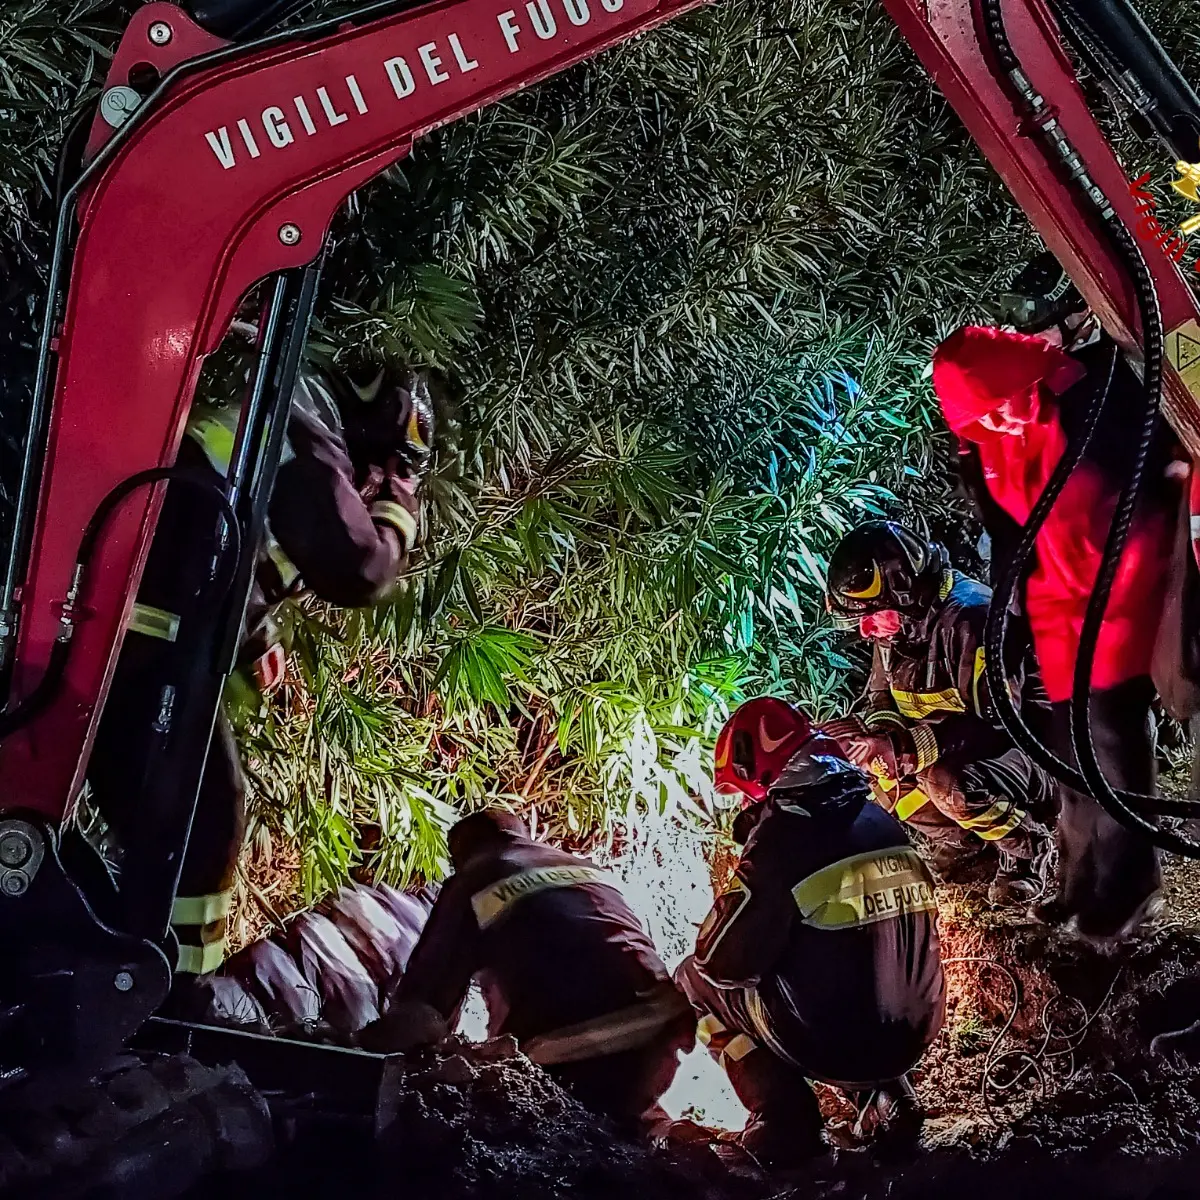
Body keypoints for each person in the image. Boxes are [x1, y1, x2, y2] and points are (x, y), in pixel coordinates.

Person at [87, 359, 434, 999]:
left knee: (162, 822)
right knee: (202, 821)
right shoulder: (303, 439)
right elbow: (356, 566)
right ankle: (173, 1002)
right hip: (148, 637)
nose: (369, 487)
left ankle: (130, 973)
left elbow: (224, 533)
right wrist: (397, 515)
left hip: (139, 625)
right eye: (378, 473)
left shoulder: (279, 423)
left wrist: (255, 634)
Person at [932, 253, 1184, 940]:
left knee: (1112, 738)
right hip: (1058, 606)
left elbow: (1161, 466)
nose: (1001, 420)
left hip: (1122, 591)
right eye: (986, 416)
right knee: (1066, 753)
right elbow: (1007, 525)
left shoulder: (1096, 389)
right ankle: (1078, 881)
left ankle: (1131, 885)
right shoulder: (993, 443)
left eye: (1004, 404)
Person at [674, 698, 944, 1168]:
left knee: (691, 983)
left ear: (763, 779)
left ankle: (784, 1118)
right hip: (916, 1034)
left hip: (837, 1045)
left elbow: (722, 963)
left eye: (745, 792)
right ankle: (891, 1101)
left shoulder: (782, 843)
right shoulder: (881, 820)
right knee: (844, 964)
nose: (744, 806)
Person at [361, 808, 696, 1136]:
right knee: (618, 1113)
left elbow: (421, 1015)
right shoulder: (582, 867)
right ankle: (671, 1139)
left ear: (459, 856)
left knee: (478, 1106)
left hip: (572, 1046)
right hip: (663, 1031)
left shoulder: (475, 877)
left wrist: (361, 1048)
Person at [823, 521, 1055, 905]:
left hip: (1037, 757)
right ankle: (970, 846)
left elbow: (1000, 725)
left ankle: (1030, 849)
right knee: (882, 778)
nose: (866, 631)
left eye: (872, 616)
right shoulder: (898, 628)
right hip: (969, 754)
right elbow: (881, 699)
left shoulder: (971, 620)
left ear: (906, 592)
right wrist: (873, 740)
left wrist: (904, 747)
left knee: (944, 780)